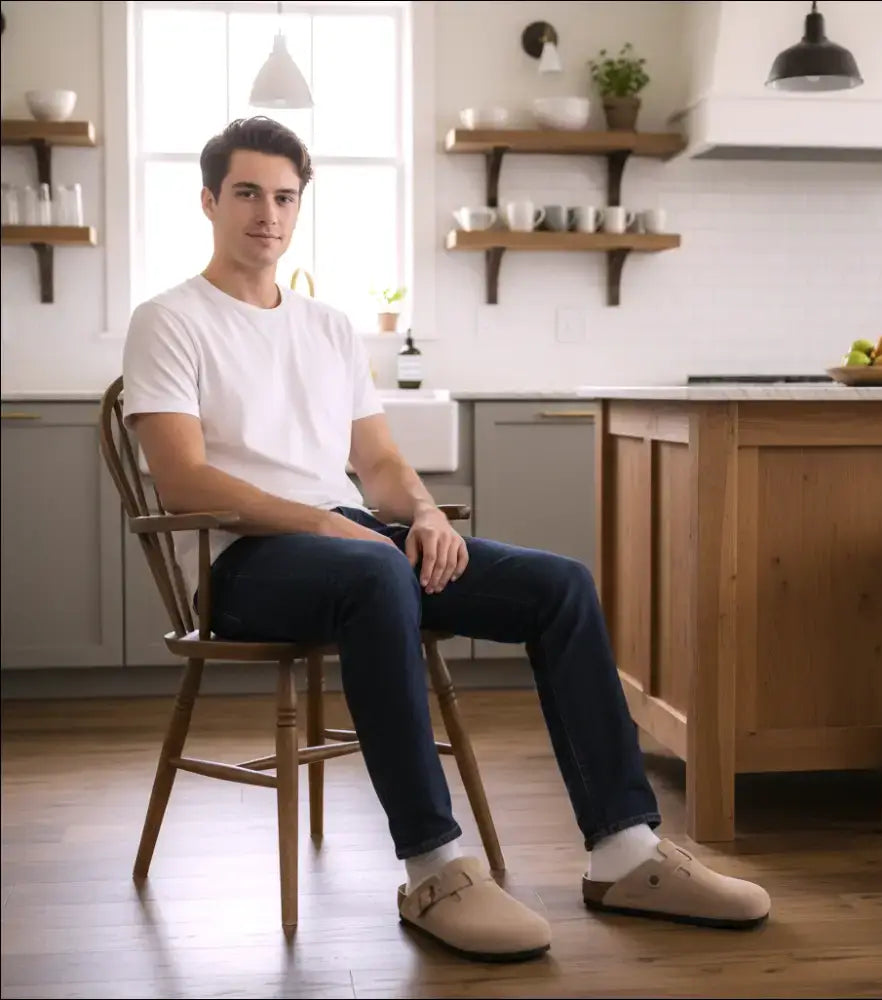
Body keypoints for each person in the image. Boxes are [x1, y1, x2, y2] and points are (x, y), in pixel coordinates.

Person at [122, 117, 770, 962]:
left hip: (352, 546)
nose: (267, 214)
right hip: (237, 562)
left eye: (284, 197)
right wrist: (332, 523)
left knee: (560, 584)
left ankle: (625, 851)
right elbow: (185, 483)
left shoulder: (325, 326)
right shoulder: (168, 319)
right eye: (247, 193)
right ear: (209, 201)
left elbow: (381, 460)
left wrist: (423, 513)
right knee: (374, 571)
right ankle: (434, 865)